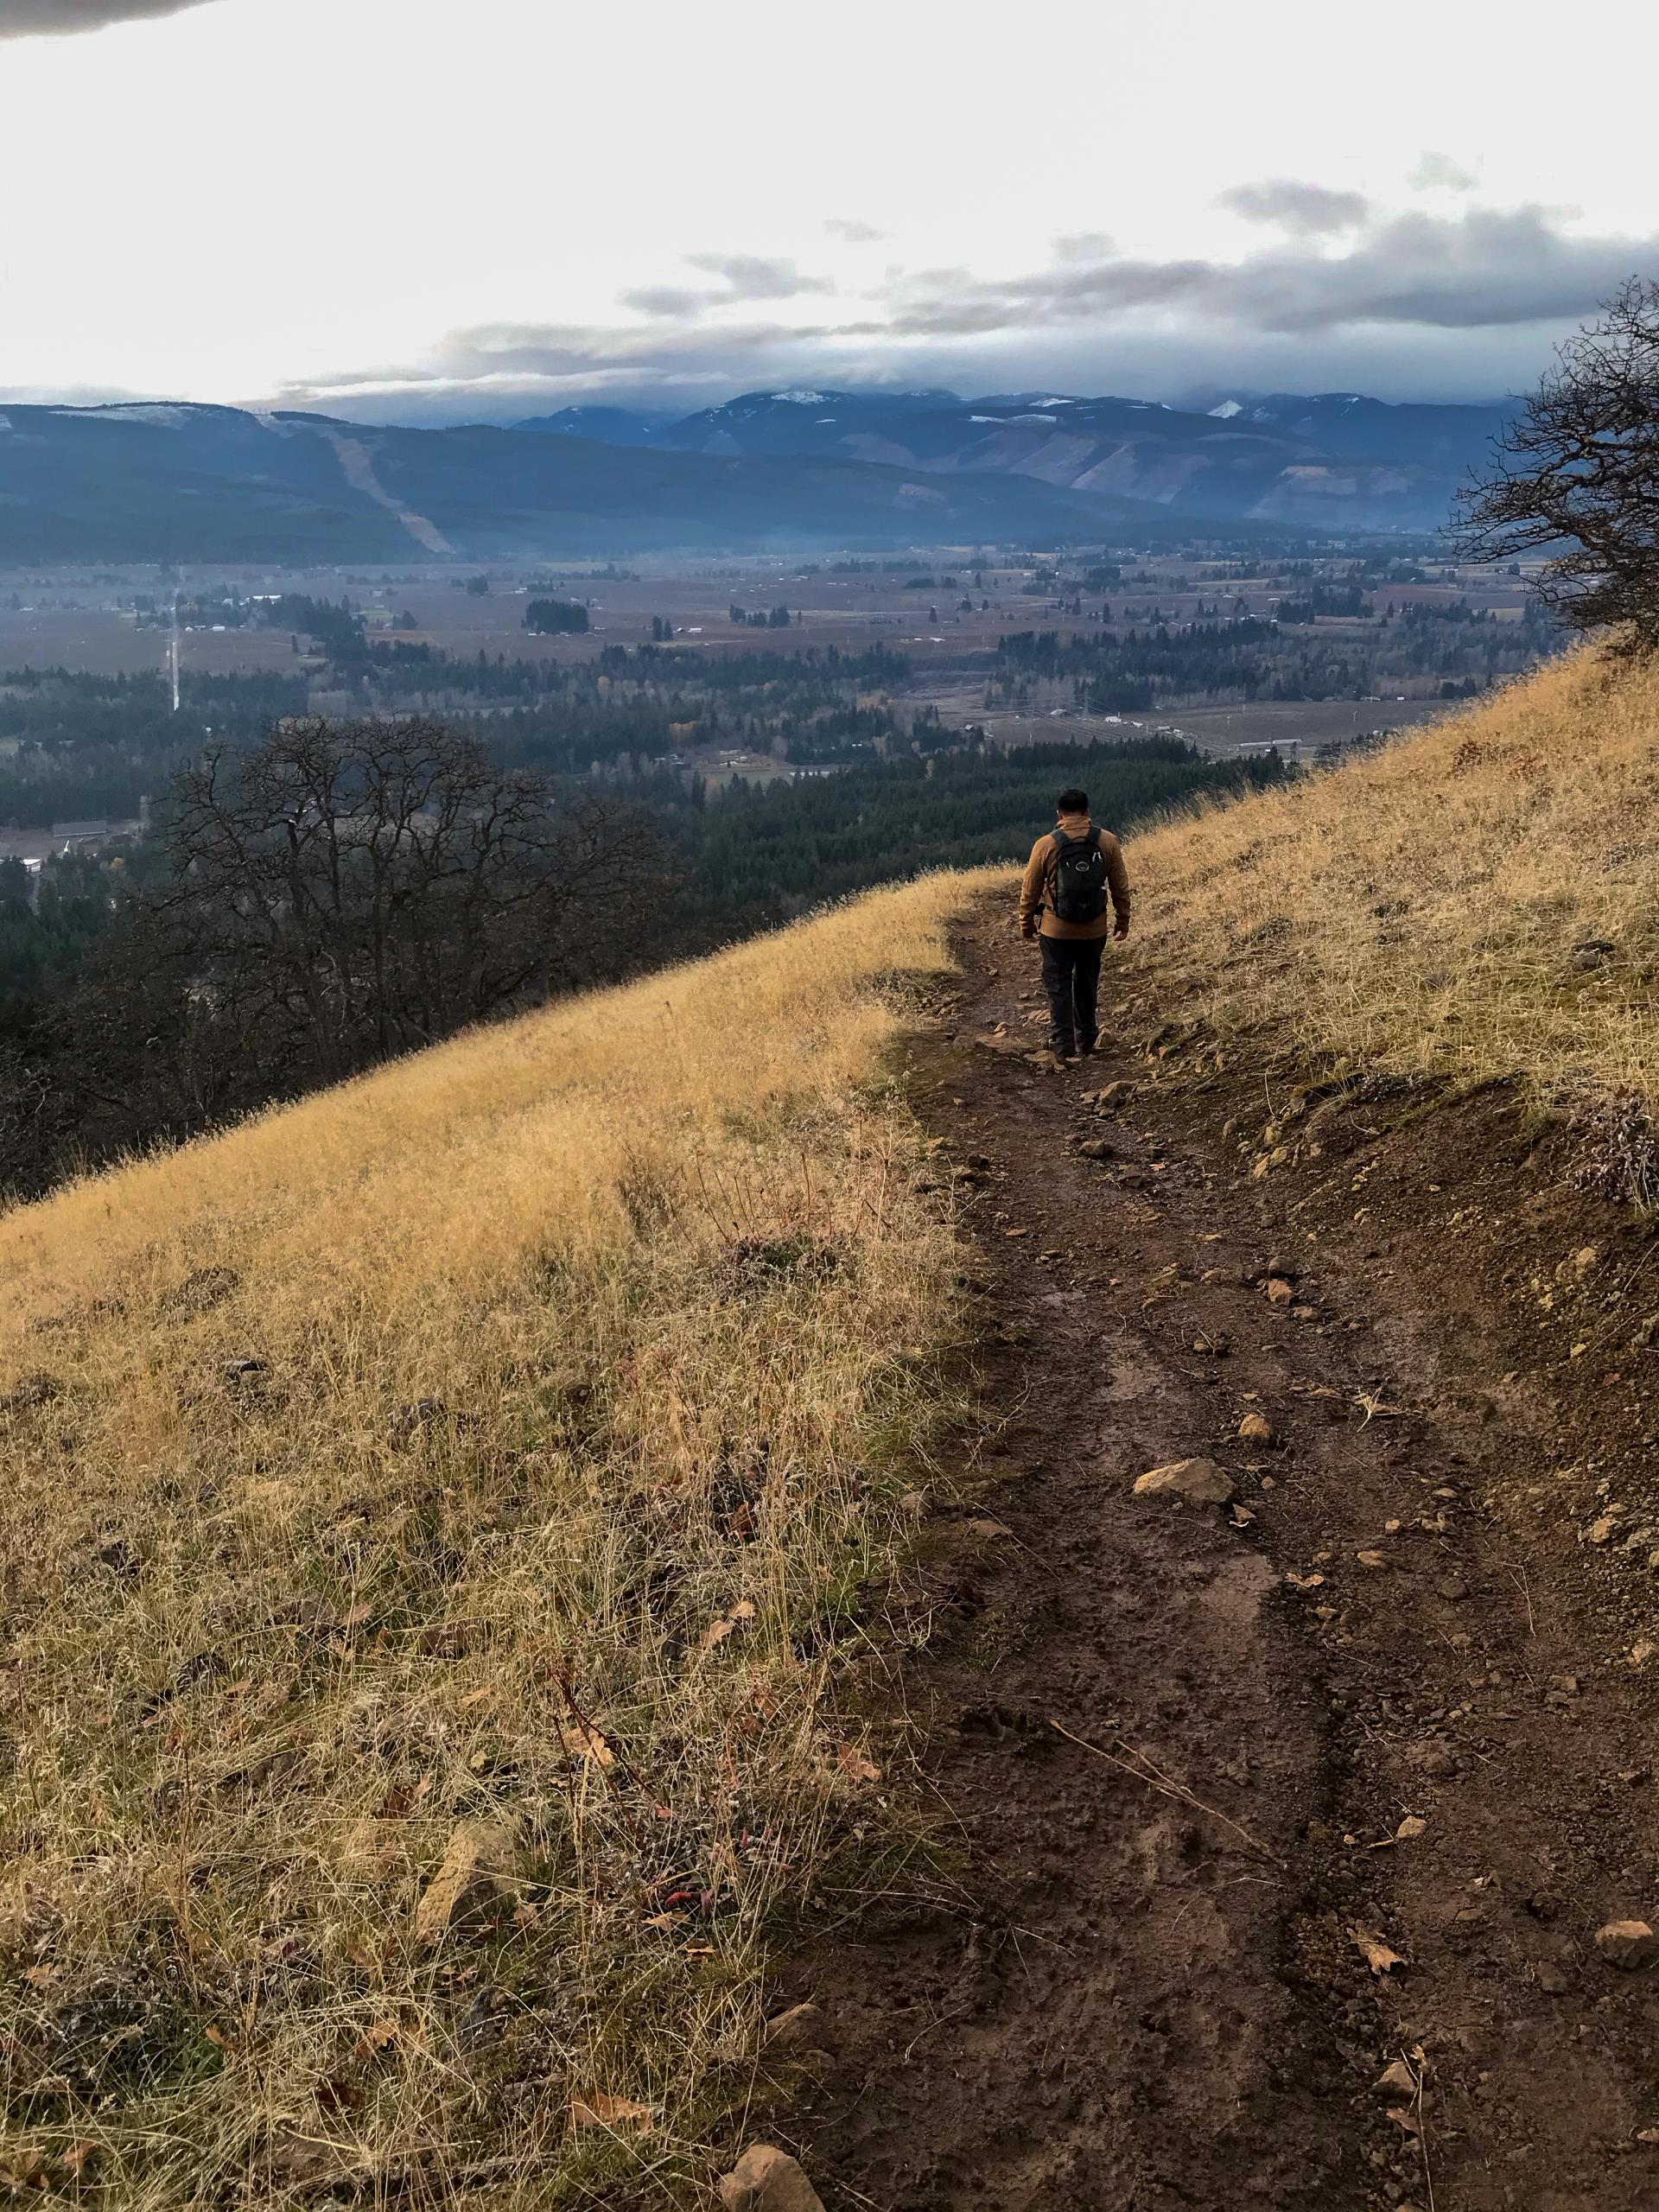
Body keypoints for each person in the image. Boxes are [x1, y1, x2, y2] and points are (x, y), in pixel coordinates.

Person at [1018, 786, 1131, 1063]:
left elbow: (1030, 888)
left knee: (1057, 983)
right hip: (1094, 929)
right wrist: (1123, 919)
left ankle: (1062, 1044)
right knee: (1087, 981)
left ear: (1059, 814)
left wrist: (1026, 921)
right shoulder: (1108, 841)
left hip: (1056, 930)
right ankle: (1088, 1038)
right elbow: (1120, 885)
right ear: (1087, 812)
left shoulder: (1046, 844)